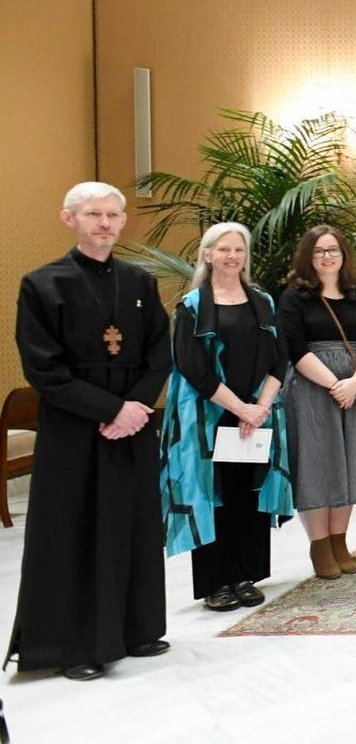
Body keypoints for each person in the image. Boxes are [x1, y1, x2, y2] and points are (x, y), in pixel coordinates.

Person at [6, 182, 171, 681]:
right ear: (69, 219)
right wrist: (110, 409)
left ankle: (137, 629)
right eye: (94, 214)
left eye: (113, 215)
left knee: (134, 524)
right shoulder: (42, 284)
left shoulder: (139, 283)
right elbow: (44, 370)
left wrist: (136, 407)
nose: (105, 223)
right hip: (75, 428)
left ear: (123, 222)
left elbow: (158, 353)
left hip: (133, 425)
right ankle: (71, 645)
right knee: (73, 532)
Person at [160, 222, 294, 611]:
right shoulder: (192, 306)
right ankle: (216, 582)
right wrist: (240, 409)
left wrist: (261, 408)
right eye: (223, 249)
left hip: (257, 416)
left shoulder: (263, 301)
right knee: (212, 498)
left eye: (238, 250)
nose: (232, 256)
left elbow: (279, 358)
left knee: (247, 495)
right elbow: (193, 368)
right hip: (209, 419)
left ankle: (244, 575)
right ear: (207, 254)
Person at [279, 226, 356, 579]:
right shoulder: (295, 297)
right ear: (307, 257)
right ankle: (319, 545)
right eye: (319, 251)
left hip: (353, 388)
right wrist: (333, 384)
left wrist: (354, 382)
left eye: (334, 250)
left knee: (350, 463)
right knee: (318, 464)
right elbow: (294, 350)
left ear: (344, 255)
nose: (327, 257)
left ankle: (340, 541)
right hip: (311, 390)